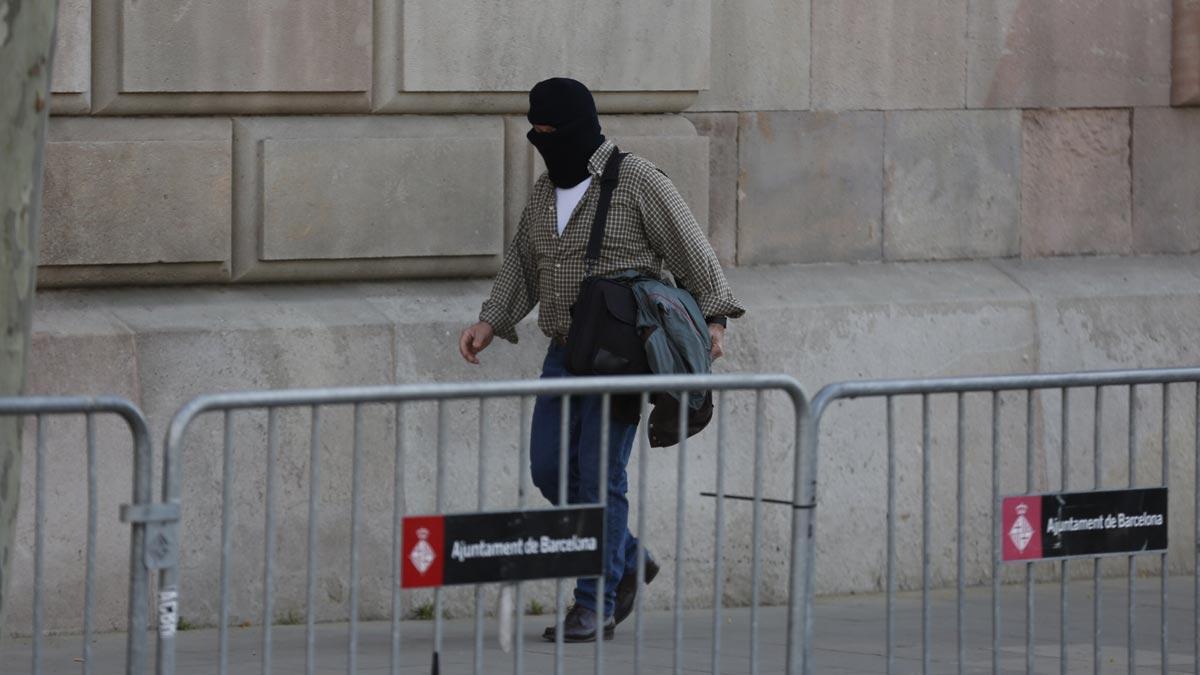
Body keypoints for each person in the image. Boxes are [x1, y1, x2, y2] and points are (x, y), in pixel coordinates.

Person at [458, 77, 745, 642]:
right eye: (534, 132)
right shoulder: (544, 192)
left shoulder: (637, 180)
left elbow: (694, 250)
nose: (544, 140)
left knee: (600, 477)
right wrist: (491, 320)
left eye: (552, 131)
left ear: (579, 127)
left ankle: (593, 603)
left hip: (619, 357)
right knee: (548, 469)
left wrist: (715, 318)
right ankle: (628, 556)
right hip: (563, 353)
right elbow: (522, 262)